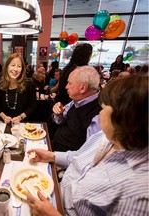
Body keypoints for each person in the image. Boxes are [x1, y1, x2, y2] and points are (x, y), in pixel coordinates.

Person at [26, 75, 148, 216]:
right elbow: (78, 157)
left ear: (124, 118)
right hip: (58, 191)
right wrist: (51, 156)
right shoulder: (107, 137)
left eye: (103, 109)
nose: (99, 113)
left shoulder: (139, 195)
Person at [51, 66, 101, 151]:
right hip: (55, 146)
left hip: (64, 160)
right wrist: (59, 114)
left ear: (83, 88)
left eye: (69, 83)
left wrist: (53, 157)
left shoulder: (98, 116)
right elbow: (59, 120)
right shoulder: (77, 101)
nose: (66, 87)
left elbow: (87, 155)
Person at [0, 53, 37, 124]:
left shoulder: (29, 85)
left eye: (19, 66)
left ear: (22, 69)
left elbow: (33, 106)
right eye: (13, 65)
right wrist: (4, 117)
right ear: (7, 67)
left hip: (23, 124)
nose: (15, 69)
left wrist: (20, 117)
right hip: (3, 124)